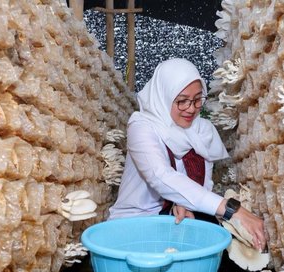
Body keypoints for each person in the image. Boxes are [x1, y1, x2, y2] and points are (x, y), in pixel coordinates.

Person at [108, 58, 266, 251]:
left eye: (198, 99)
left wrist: (184, 203)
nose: (191, 108)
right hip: (134, 226)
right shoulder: (142, 126)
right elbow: (160, 175)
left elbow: (204, 184)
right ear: (164, 96)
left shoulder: (202, 130)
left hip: (175, 222)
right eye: (182, 101)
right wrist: (233, 210)